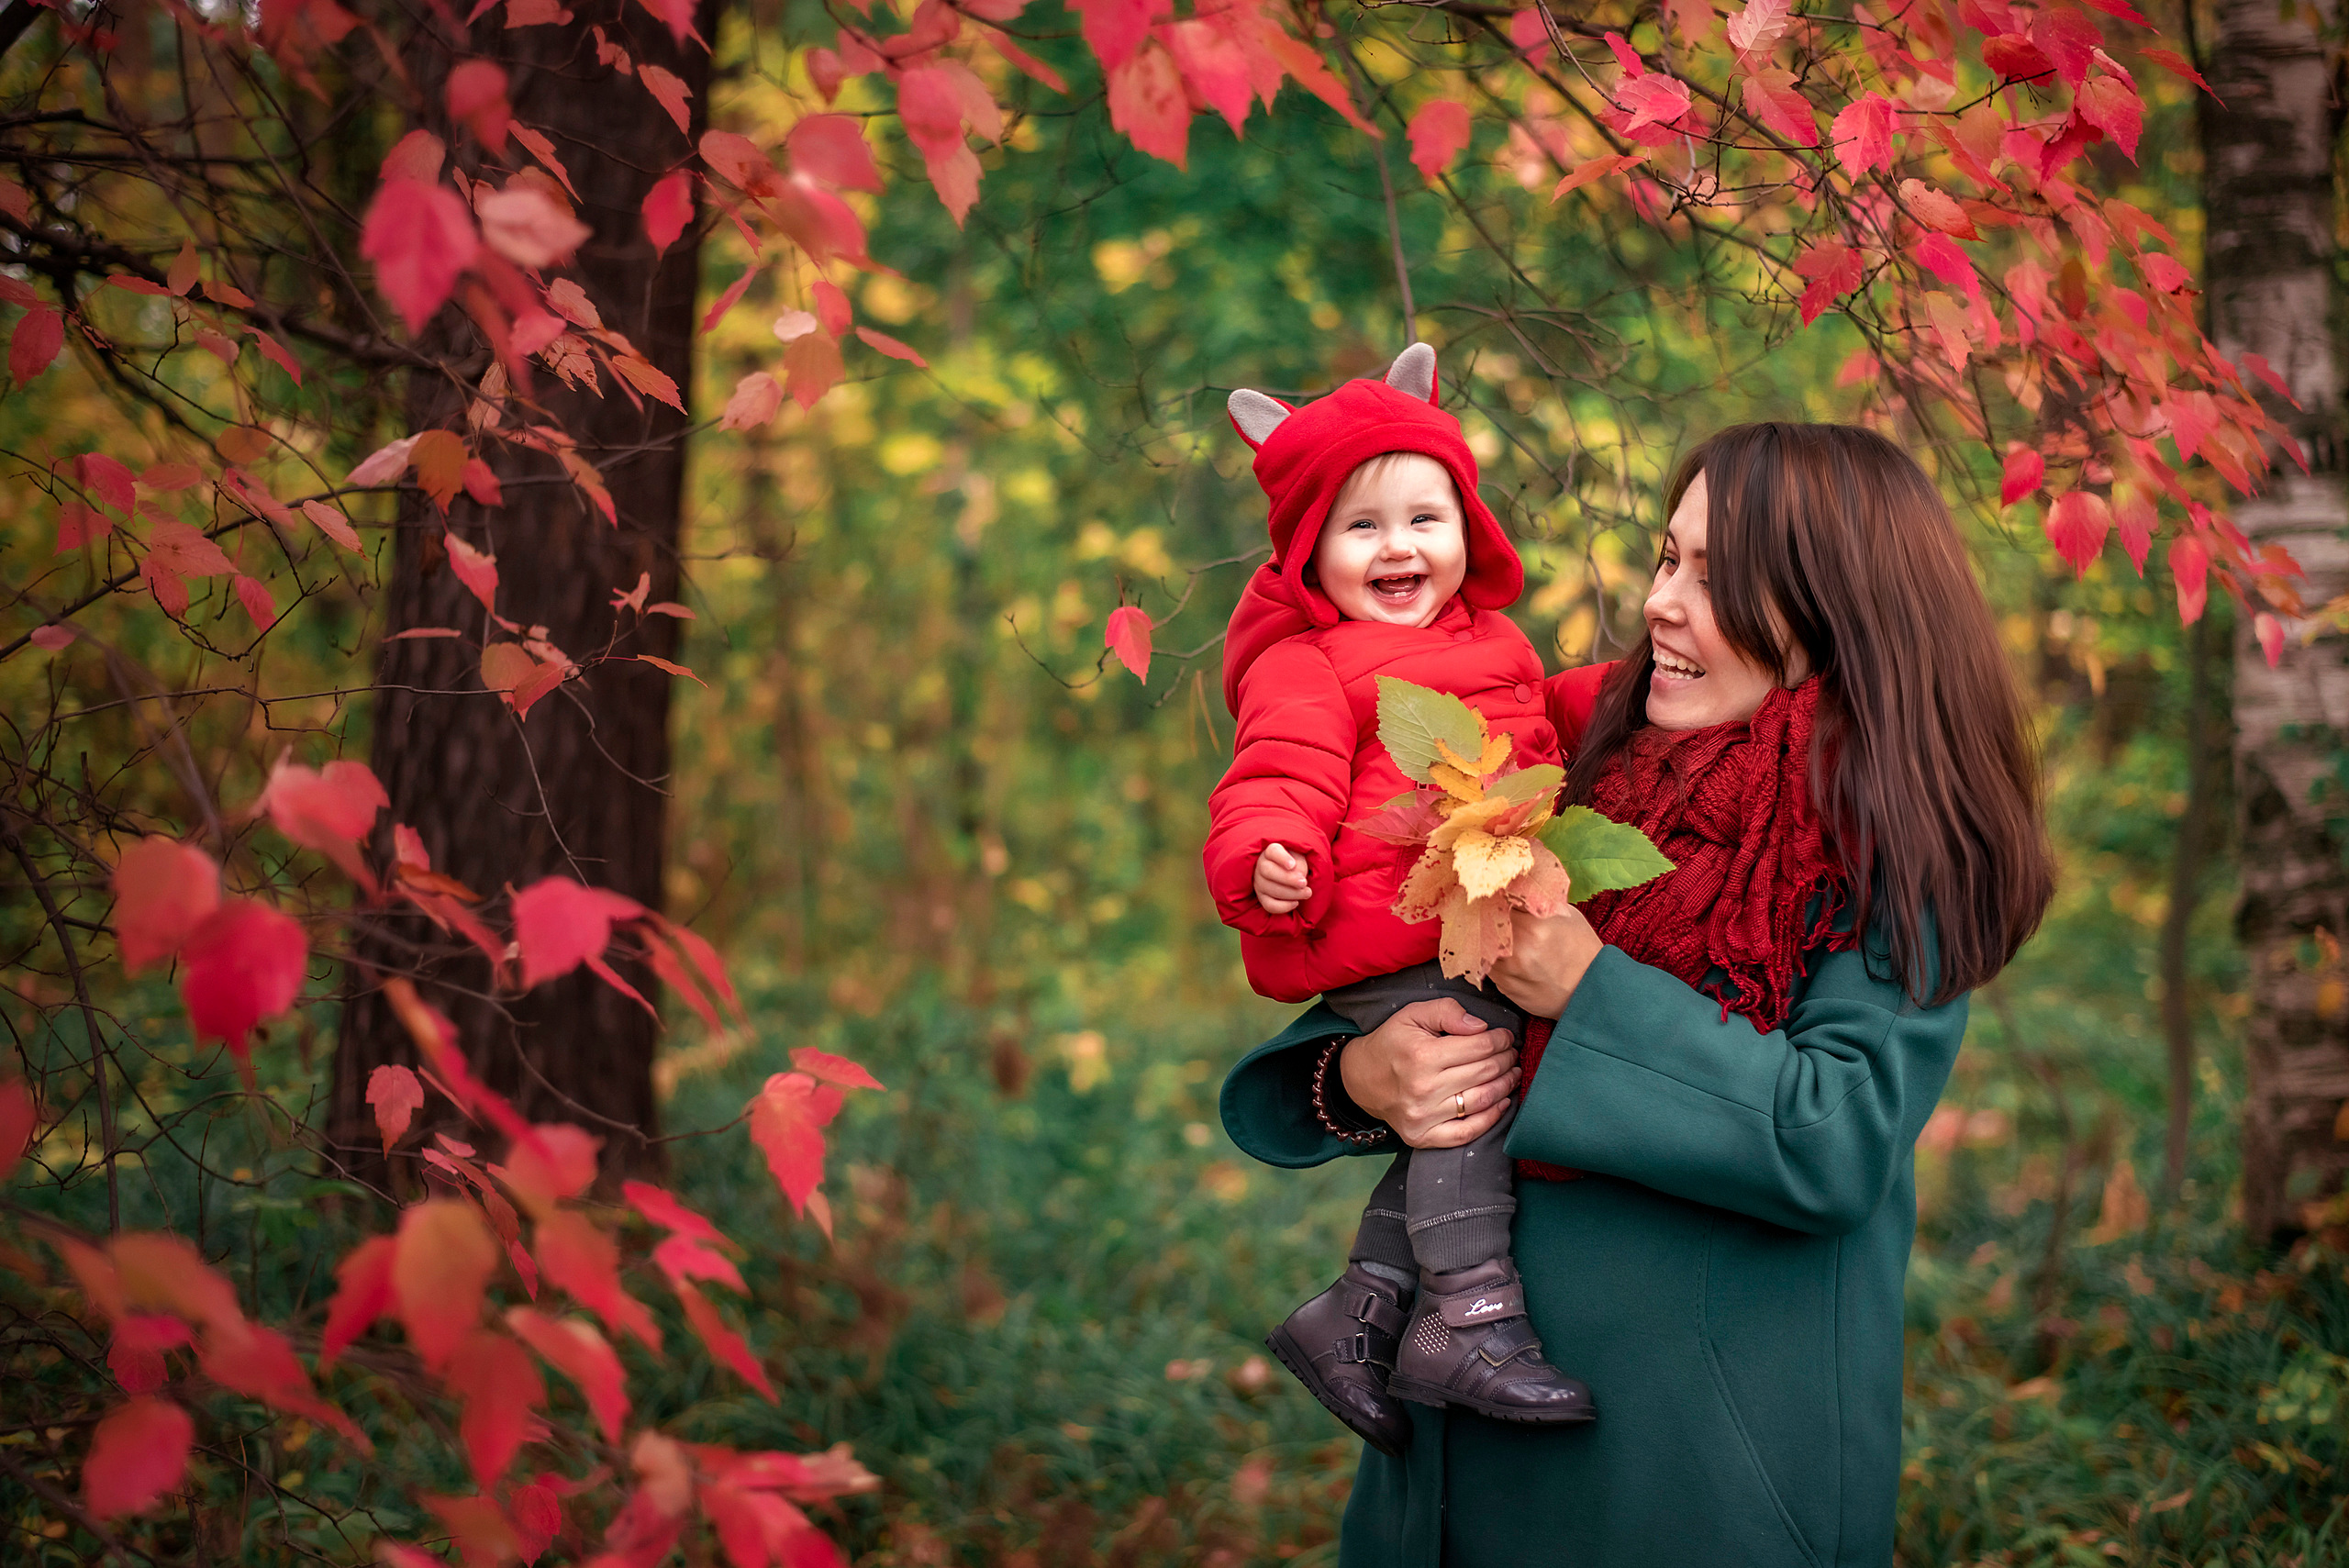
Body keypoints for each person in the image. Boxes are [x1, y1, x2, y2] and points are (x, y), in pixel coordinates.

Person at [1219, 422, 2054, 1567]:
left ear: (1831, 608)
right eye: (1670, 559)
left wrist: (1592, 989)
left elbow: (1837, 1137)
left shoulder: (1893, 841)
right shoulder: (1592, 770)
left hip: (1689, 1481)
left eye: (1717, 579)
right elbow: (1411, 975)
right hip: (1452, 1455)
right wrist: (1357, 1074)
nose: (1663, 602)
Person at [1206, 344, 1595, 1459]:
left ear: (1467, 527)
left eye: (1424, 517)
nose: (1398, 547)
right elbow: (1274, 778)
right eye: (1361, 526)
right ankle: (1469, 1315)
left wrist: (1624, 696)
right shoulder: (1310, 665)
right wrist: (1269, 855)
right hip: (1388, 927)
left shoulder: (1494, 641)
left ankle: (1363, 1301)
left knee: (1475, 1091)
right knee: (1472, 1080)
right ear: (1309, 554)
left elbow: (1542, 727)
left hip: (1469, 917)